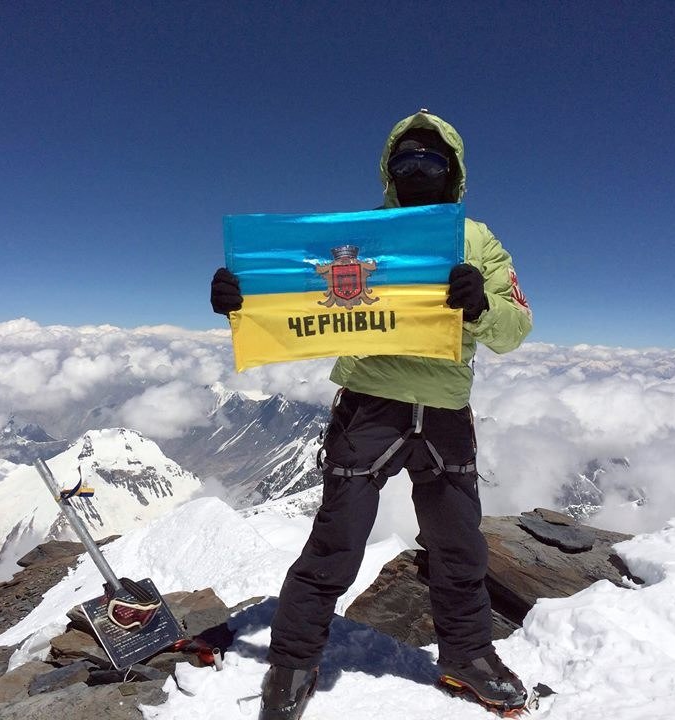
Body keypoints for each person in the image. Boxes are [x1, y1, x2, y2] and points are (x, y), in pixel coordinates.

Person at [211, 109, 533, 719]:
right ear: (389, 170)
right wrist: (241, 296)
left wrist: (482, 304)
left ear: (452, 171)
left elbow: (516, 328)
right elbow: (298, 289)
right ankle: (292, 661)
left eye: (432, 160)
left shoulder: (479, 241)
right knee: (337, 541)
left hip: (441, 411)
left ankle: (466, 655)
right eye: (406, 160)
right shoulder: (360, 232)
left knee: (458, 545)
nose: (418, 170)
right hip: (372, 404)